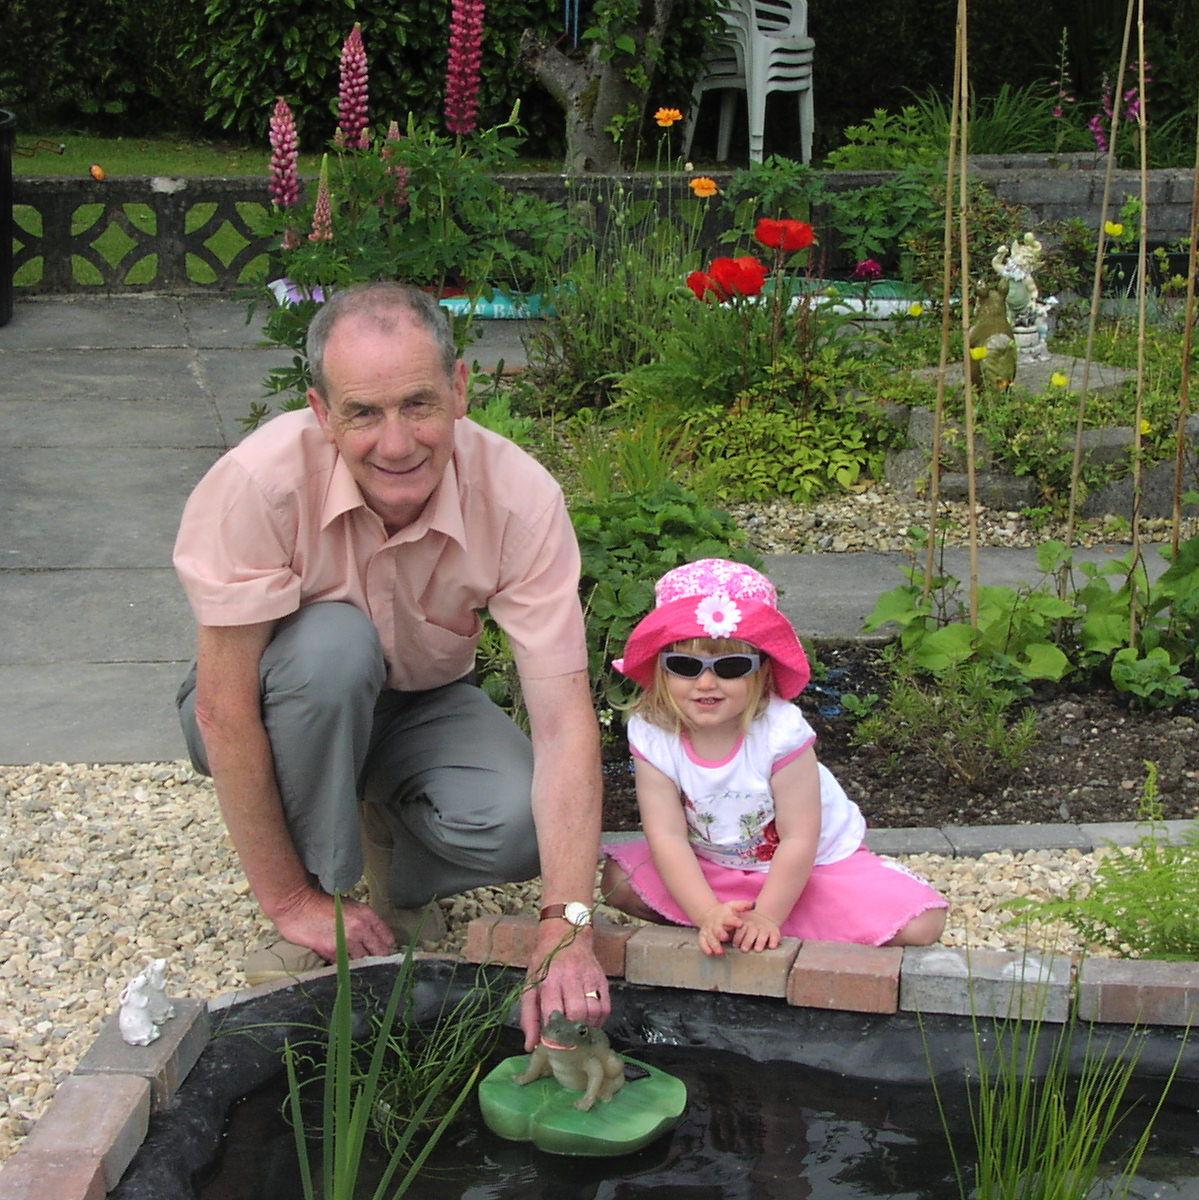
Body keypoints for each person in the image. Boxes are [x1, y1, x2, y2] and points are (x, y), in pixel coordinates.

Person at [173, 281, 608, 1046]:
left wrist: (566, 924)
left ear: (461, 388)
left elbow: (566, 721)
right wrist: (288, 900)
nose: (397, 443)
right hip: (282, 697)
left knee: (517, 825)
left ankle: (391, 865)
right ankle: (323, 900)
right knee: (333, 649)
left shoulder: (518, 497)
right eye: (364, 413)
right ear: (320, 411)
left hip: (424, 702)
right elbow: (223, 708)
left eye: (417, 403)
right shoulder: (256, 485)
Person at [601, 559, 948, 955]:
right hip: (713, 867)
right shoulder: (653, 731)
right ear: (661, 670)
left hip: (809, 867)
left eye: (731, 667)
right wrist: (706, 913)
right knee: (618, 881)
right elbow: (667, 836)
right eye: (684, 665)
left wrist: (768, 914)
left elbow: (799, 838)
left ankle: (769, 920)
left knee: (923, 923)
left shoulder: (780, 731)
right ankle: (731, 919)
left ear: (763, 673)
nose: (706, 683)